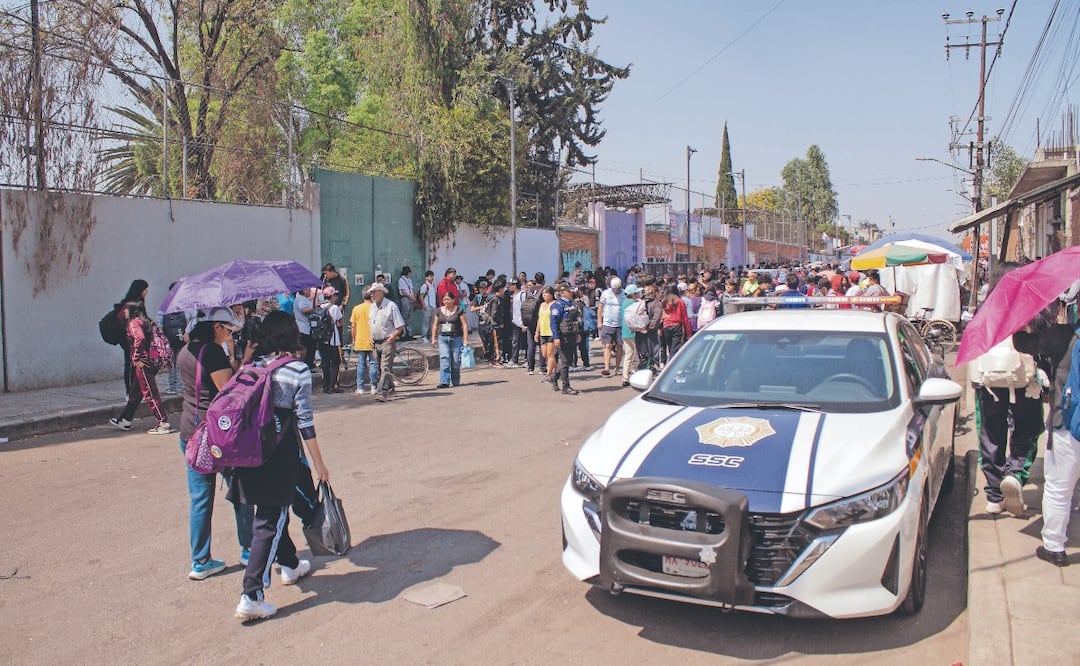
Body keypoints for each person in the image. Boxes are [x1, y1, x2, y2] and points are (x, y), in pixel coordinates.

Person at [227, 312, 330, 621]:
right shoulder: (298, 370)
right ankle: (252, 594)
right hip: (279, 456)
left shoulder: (251, 367)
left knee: (272, 513)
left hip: (248, 454)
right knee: (270, 521)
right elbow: (305, 423)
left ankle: (290, 564)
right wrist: (319, 464)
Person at [177, 307, 253, 581]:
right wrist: (239, 360)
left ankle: (200, 561)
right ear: (216, 327)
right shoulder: (211, 352)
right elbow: (228, 390)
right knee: (241, 492)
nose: (229, 333)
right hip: (216, 436)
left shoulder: (185, 351)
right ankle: (249, 548)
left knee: (200, 499)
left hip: (189, 432)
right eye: (227, 329)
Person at [110, 301, 174, 434]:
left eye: (126, 309)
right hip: (150, 361)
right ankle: (125, 420)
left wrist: (136, 358)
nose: (124, 312)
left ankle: (162, 422)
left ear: (132, 311)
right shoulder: (145, 321)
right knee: (135, 393)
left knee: (150, 393)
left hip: (144, 364)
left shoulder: (134, 323)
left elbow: (140, 338)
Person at [368, 283, 405, 402]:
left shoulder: (391, 306)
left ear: (381, 292)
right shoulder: (372, 307)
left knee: (385, 367)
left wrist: (392, 338)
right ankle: (390, 388)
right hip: (375, 342)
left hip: (387, 340)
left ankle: (382, 392)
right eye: (371, 292)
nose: (372, 295)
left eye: (374, 292)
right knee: (380, 367)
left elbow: (400, 326)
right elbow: (371, 324)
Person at [117, 279, 149, 397]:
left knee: (131, 365)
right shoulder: (135, 304)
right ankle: (132, 392)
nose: (146, 292)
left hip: (128, 339)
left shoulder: (128, 302)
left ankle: (131, 392)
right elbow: (142, 321)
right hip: (134, 340)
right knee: (134, 366)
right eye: (145, 289)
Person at [431, 291, 470, 388]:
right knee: (444, 359)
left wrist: (465, 339)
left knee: (456, 360)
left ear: (453, 300)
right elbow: (435, 325)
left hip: (456, 338)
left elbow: (464, 325)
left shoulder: (459, 310)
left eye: (448, 299)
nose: (446, 301)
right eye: (444, 299)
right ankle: (444, 381)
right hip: (443, 338)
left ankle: (455, 381)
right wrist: (433, 338)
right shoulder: (439, 311)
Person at [549, 284, 581, 395]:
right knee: (565, 362)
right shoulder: (557, 306)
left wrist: (577, 334)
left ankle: (554, 377)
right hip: (562, 337)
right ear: (562, 293)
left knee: (567, 360)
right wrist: (556, 337)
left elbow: (573, 321)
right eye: (568, 291)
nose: (571, 292)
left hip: (571, 335)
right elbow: (553, 323)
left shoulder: (571, 304)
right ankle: (565, 387)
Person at [350, 289, 378, 395]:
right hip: (373, 340)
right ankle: (373, 387)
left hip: (360, 340)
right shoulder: (375, 308)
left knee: (361, 364)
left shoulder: (357, 308)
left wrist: (354, 338)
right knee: (373, 364)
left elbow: (353, 326)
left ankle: (360, 387)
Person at [317, 287, 344, 393]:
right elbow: (340, 322)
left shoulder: (319, 307)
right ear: (332, 296)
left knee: (325, 362)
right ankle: (332, 386)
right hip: (333, 339)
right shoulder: (334, 308)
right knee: (336, 362)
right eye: (335, 295)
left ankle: (325, 386)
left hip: (322, 339)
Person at [597, 276, 625, 377]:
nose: (616, 291)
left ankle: (617, 368)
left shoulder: (624, 294)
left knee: (619, 346)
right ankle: (607, 367)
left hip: (620, 324)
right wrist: (599, 321)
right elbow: (600, 308)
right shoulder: (606, 293)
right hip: (608, 323)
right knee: (608, 345)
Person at [620, 284, 643, 387]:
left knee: (628, 355)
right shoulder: (636, 303)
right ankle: (637, 374)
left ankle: (625, 377)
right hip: (635, 331)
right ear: (633, 294)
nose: (639, 294)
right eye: (637, 292)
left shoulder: (624, 303)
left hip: (625, 332)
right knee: (638, 354)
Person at [535, 286, 557, 386]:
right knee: (544, 354)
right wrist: (537, 332)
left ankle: (549, 375)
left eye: (546, 293)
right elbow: (539, 319)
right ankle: (557, 369)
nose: (544, 295)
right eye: (543, 293)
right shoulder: (542, 305)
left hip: (551, 333)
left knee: (550, 354)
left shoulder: (554, 304)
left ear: (551, 294)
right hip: (543, 333)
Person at [293, 287, 316, 370]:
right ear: (303, 290)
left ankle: (309, 365)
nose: (310, 291)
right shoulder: (301, 299)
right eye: (308, 289)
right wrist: (314, 307)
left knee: (310, 348)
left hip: (307, 328)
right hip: (303, 328)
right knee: (306, 348)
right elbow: (303, 310)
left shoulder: (305, 299)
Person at [398, 266, 417, 340]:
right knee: (405, 316)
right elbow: (403, 291)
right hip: (405, 298)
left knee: (409, 317)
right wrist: (411, 297)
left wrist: (413, 298)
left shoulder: (409, 280)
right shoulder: (401, 280)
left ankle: (409, 333)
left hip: (410, 298)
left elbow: (411, 290)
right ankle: (403, 333)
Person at [418, 270, 438, 341]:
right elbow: (421, 296)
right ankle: (424, 336)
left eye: (432, 276)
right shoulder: (424, 286)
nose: (432, 278)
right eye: (430, 276)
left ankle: (431, 336)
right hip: (427, 306)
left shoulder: (433, 285)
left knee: (432, 322)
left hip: (433, 306)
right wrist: (424, 305)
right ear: (426, 277)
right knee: (426, 322)